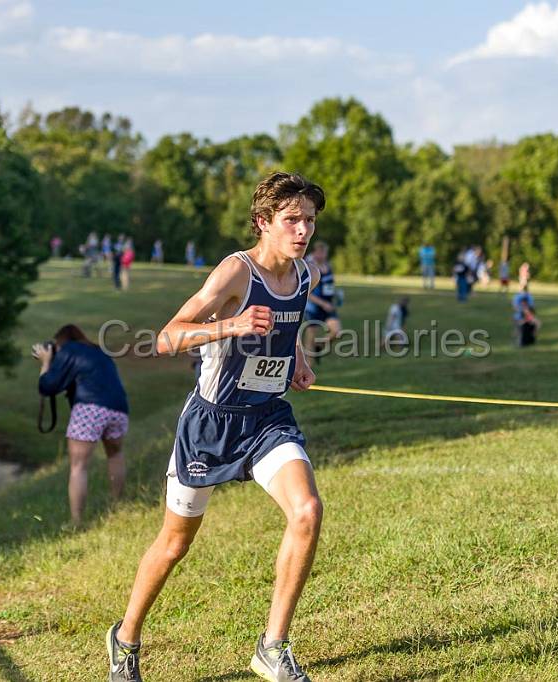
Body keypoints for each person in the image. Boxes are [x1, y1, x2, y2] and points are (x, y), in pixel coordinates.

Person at [105, 172, 325, 682]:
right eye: (292, 220)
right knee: (175, 544)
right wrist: (231, 325)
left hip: (268, 419)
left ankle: (272, 647)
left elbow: (286, 328)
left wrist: (295, 360)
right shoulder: (235, 273)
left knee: (307, 509)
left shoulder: (304, 275)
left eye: (309, 221)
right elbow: (166, 338)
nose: (303, 231)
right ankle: (126, 636)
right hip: (210, 425)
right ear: (263, 222)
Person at [34, 324, 130, 526]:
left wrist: (46, 362)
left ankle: (76, 521)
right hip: (119, 407)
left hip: (90, 409)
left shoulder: (68, 350)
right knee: (115, 454)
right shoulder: (98, 351)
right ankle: (117, 504)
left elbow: (47, 386)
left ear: (59, 342)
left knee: (78, 467)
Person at [302, 241, 341, 365]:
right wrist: (323, 303)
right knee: (310, 337)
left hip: (328, 306)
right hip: (313, 307)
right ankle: (308, 366)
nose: (323, 255)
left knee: (336, 332)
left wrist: (335, 295)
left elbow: (329, 285)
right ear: (315, 252)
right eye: (321, 252)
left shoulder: (327, 265)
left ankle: (318, 345)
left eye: (325, 253)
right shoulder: (310, 267)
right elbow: (307, 292)